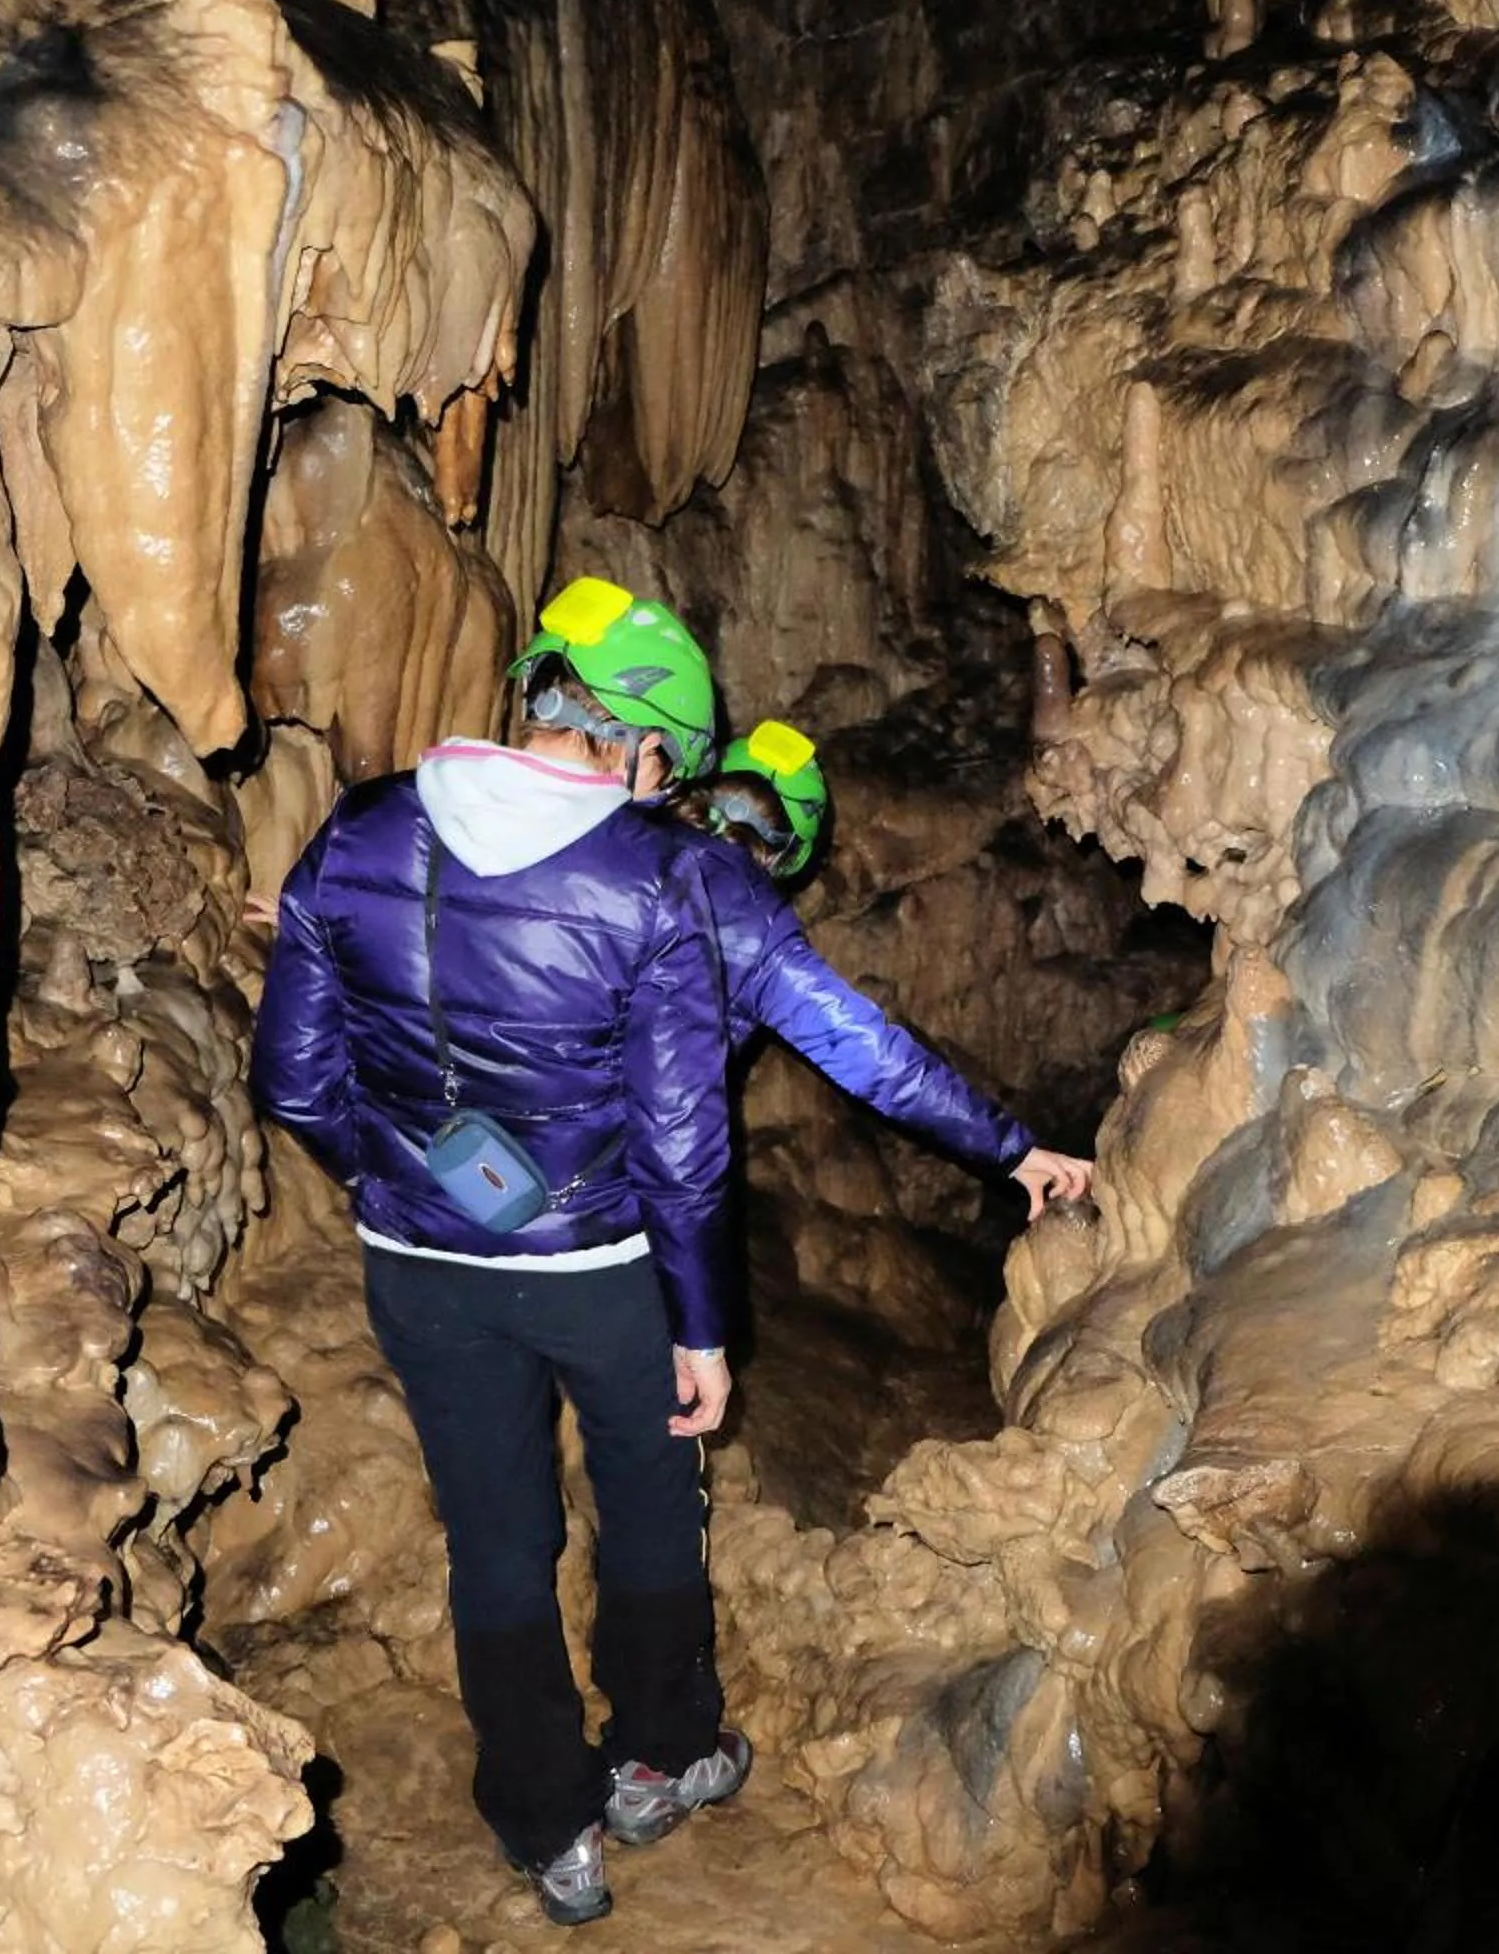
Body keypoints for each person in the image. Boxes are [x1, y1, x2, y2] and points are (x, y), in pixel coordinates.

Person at [252, 576, 749, 1928]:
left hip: (421, 1268)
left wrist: (402, 1174)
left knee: (496, 1539)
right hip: (603, 1273)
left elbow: (293, 1083)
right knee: (648, 1498)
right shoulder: (653, 877)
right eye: (672, 762)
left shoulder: (359, 830)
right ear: (634, 741)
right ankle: (658, 1754)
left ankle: (550, 1827)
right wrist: (702, 1325)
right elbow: (684, 1139)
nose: (668, 790)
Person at [669, 717, 1096, 1217]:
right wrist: (1011, 1150)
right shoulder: (758, 937)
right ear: (788, 855)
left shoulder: (615, 842)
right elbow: (872, 1055)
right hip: (614, 1181)